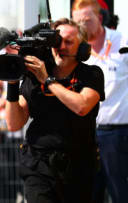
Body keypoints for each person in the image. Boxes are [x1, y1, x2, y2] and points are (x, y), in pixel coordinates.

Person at [5, 18, 105, 203]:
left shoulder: (91, 74)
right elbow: (14, 123)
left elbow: (81, 106)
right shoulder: (35, 76)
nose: (62, 47)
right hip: (39, 164)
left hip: (79, 167)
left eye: (69, 42)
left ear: (82, 48)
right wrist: (12, 84)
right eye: (58, 41)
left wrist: (47, 80)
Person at [72, 1, 128, 203]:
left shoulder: (123, 41)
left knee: (120, 192)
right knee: (88, 193)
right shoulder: (74, 49)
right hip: (85, 134)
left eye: (87, 20)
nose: (82, 25)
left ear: (100, 18)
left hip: (117, 134)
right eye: (77, 21)